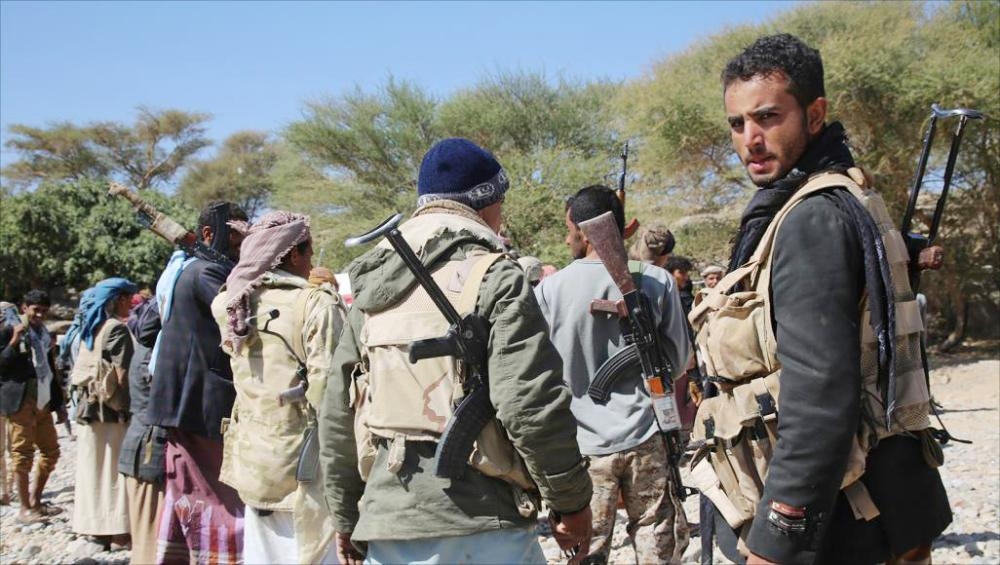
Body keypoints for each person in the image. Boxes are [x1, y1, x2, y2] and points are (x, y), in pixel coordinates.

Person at [694, 33, 950, 564]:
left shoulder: (812, 218)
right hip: (879, 506)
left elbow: (819, 399)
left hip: (844, 521)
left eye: (767, 117)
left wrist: (775, 540)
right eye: (737, 124)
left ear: (814, 115)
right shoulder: (841, 193)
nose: (750, 139)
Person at [319, 138, 593, 565]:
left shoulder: (372, 292)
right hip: (487, 529)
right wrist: (571, 502)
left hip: (390, 528)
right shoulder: (497, 277)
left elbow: (337, 412)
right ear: (487, 203)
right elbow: (529, 404)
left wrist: (346, 516)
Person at [535, 185, 691, 565]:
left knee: (585, 552)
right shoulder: (656, 280)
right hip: (647, 435)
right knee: (656, 545)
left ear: (585, 230)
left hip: (583, 446)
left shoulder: (549, 290)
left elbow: (539, 374)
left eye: (569, 229)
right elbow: (679, 361)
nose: (567, 238)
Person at [212, 211, 347, 564]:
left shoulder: (230, 303)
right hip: (305, 470)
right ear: (292, 254)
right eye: (308, 249)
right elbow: (332, 398)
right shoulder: (315, 304)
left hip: (254, 463)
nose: (312, 257)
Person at [147, 201, 248, 564]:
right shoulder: (208, 272)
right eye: (236, 240)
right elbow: (240, 323)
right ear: (209, 234)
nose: (242, 248)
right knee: (216, 499)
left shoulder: (192, 269)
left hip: (186, 404)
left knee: (190, 492)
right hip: (200, 405)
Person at [70, 277, 137, 548]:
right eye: (128, 299)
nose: (131, 304)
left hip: (88, 409)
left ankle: (96, 528)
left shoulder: (90, 328)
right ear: (119, 299)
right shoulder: (116, 329)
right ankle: (119, 531)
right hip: (111, 412)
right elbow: (123, 376)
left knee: (93, 469)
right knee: (115, 471)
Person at [0, 291, 66, 523]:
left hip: (42, 400)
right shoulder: (9, 330)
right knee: (22, 455)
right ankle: (24, 509)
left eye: (43, 311)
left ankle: (36, 501)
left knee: (51, 452)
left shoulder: (44, 334)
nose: (39, 315)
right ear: (24, 308)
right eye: (35, 310)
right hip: (20, 401)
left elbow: (50, 368)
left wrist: (59, 404)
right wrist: (14, 341)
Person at [118, 296, 167, 565]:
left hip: (140, 446)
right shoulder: (154, 358)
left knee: (145, 537)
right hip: (150, 450)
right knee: (151, 540)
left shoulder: (144, 351)